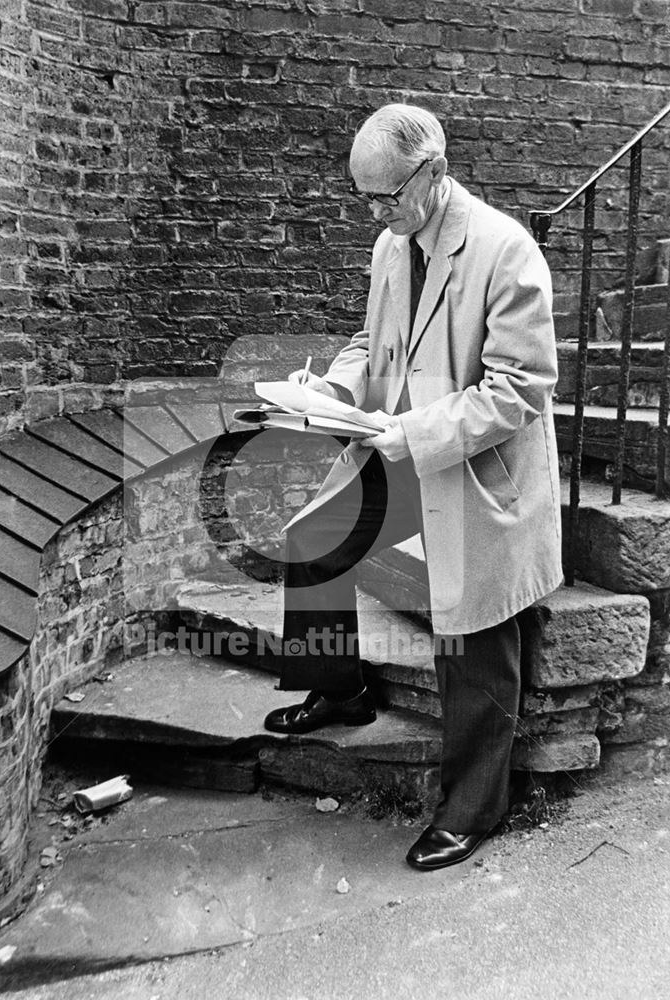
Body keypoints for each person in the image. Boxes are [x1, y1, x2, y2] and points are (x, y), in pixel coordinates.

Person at [262, 103, 563, 871]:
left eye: (386, 195)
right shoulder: (391, 244)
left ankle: (472, 808)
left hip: (474, 473)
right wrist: (331, 389)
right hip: (399, 449)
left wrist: (413, 432)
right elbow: (372, 342)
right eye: (363, 197)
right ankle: (341, 692)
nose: (375, 212)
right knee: (313, 537)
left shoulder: (505, 249)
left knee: (470, 625)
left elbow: (520, 391)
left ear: (432, 171)